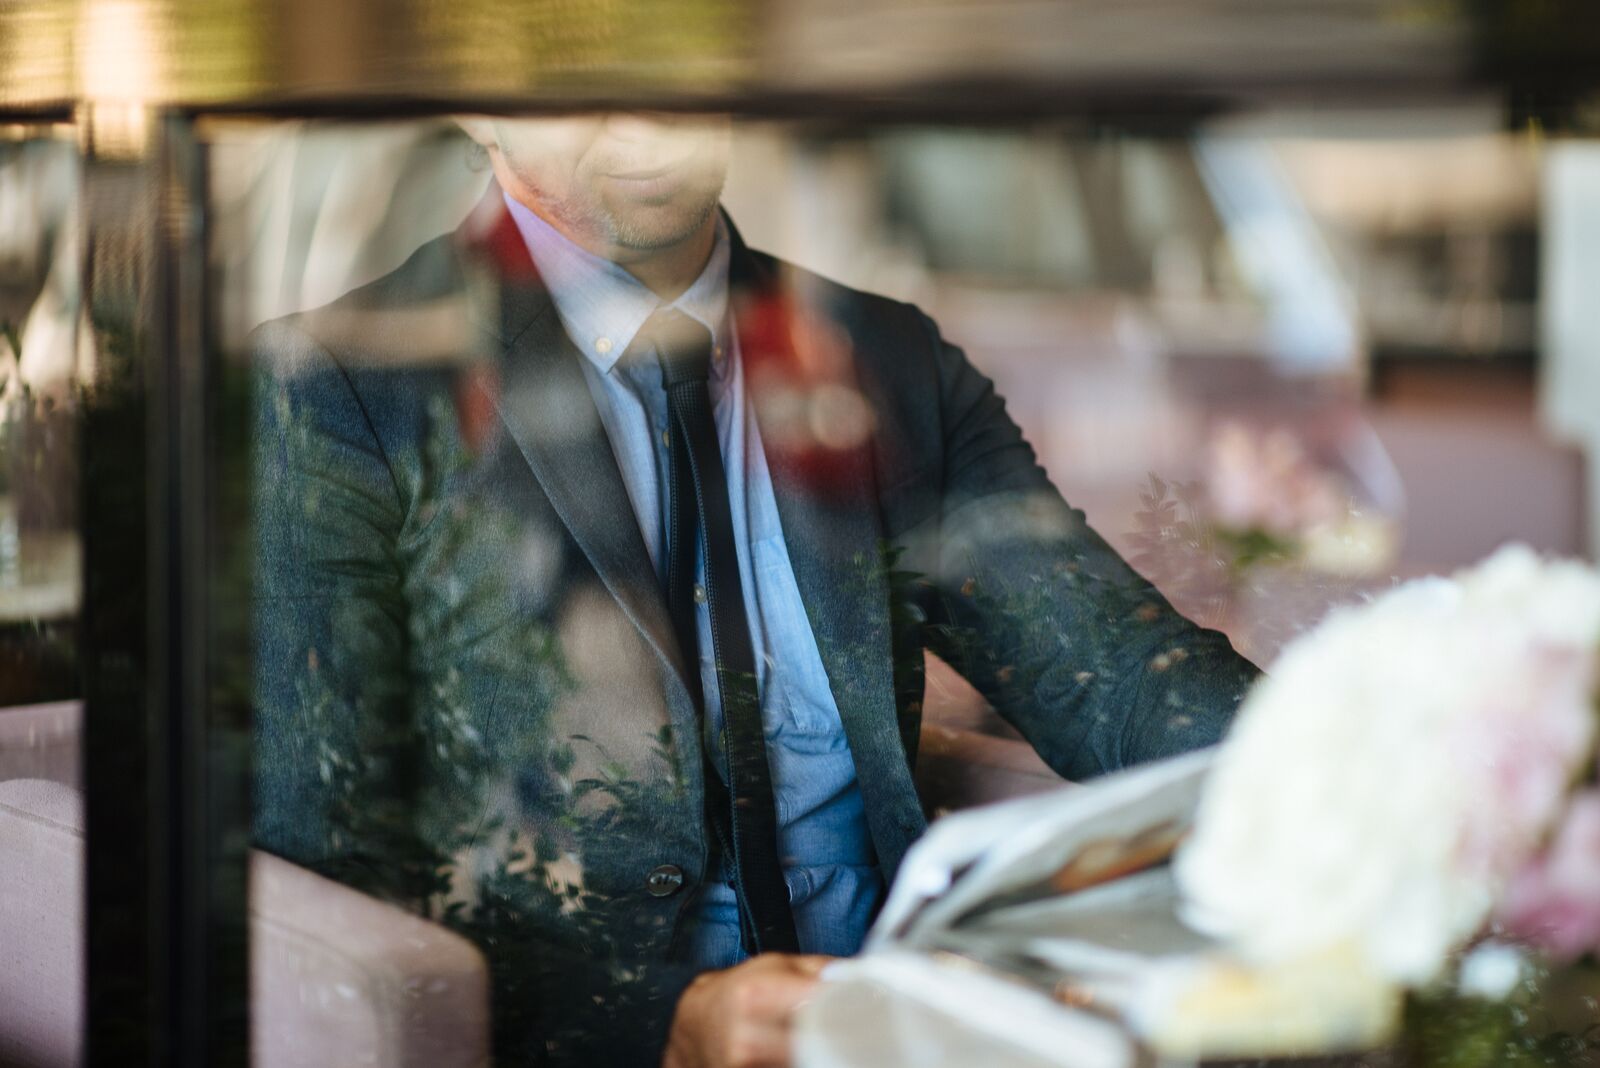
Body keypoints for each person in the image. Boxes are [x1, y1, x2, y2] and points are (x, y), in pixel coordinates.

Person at [251, 113, 1258, 1068]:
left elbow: (1117, 675)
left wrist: (1357, 764)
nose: (650, 114)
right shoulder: (334, 390)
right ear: (476, 100)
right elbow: (323, 863)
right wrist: (663, 1024)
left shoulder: (889, 361)